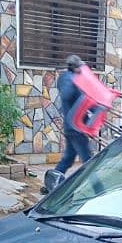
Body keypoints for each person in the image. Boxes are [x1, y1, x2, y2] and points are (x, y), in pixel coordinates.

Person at [42, 55, 93, 194]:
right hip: (76, 128)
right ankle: (98, 190)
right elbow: (69, 95)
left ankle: (49, 186)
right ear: (75, 67)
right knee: (89, 161)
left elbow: (84, 101)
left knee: (69, 158)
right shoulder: (71, 80)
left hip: (72, 127)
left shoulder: (67, 79)